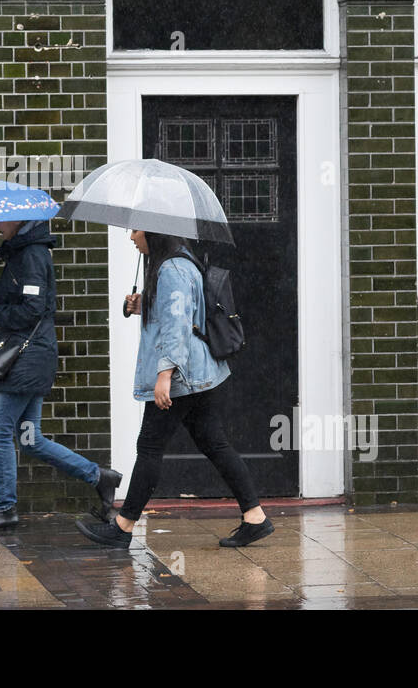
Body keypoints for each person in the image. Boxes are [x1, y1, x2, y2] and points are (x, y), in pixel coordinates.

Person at [75, 229, 273, 550]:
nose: (131, 237)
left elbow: (179, 324)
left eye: (135, 229)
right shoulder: (177, 264)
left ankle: (122, 527)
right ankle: (255, 516)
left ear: (152, 232)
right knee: (214, 443)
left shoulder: (172, 269)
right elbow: (179, 311)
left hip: (182, 376)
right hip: (198, 373)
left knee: (150, 447)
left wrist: (164, 374)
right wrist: (146, 303)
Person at [0, 218, 124, 530]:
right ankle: (99, 477)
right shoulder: (20, 253)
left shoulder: (33, 256)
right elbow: (18, 302)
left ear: (18, 220)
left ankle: (5, 508)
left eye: (0, 219)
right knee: (29, 439)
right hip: (29, 359)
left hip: (28, 361)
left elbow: (32, 310)